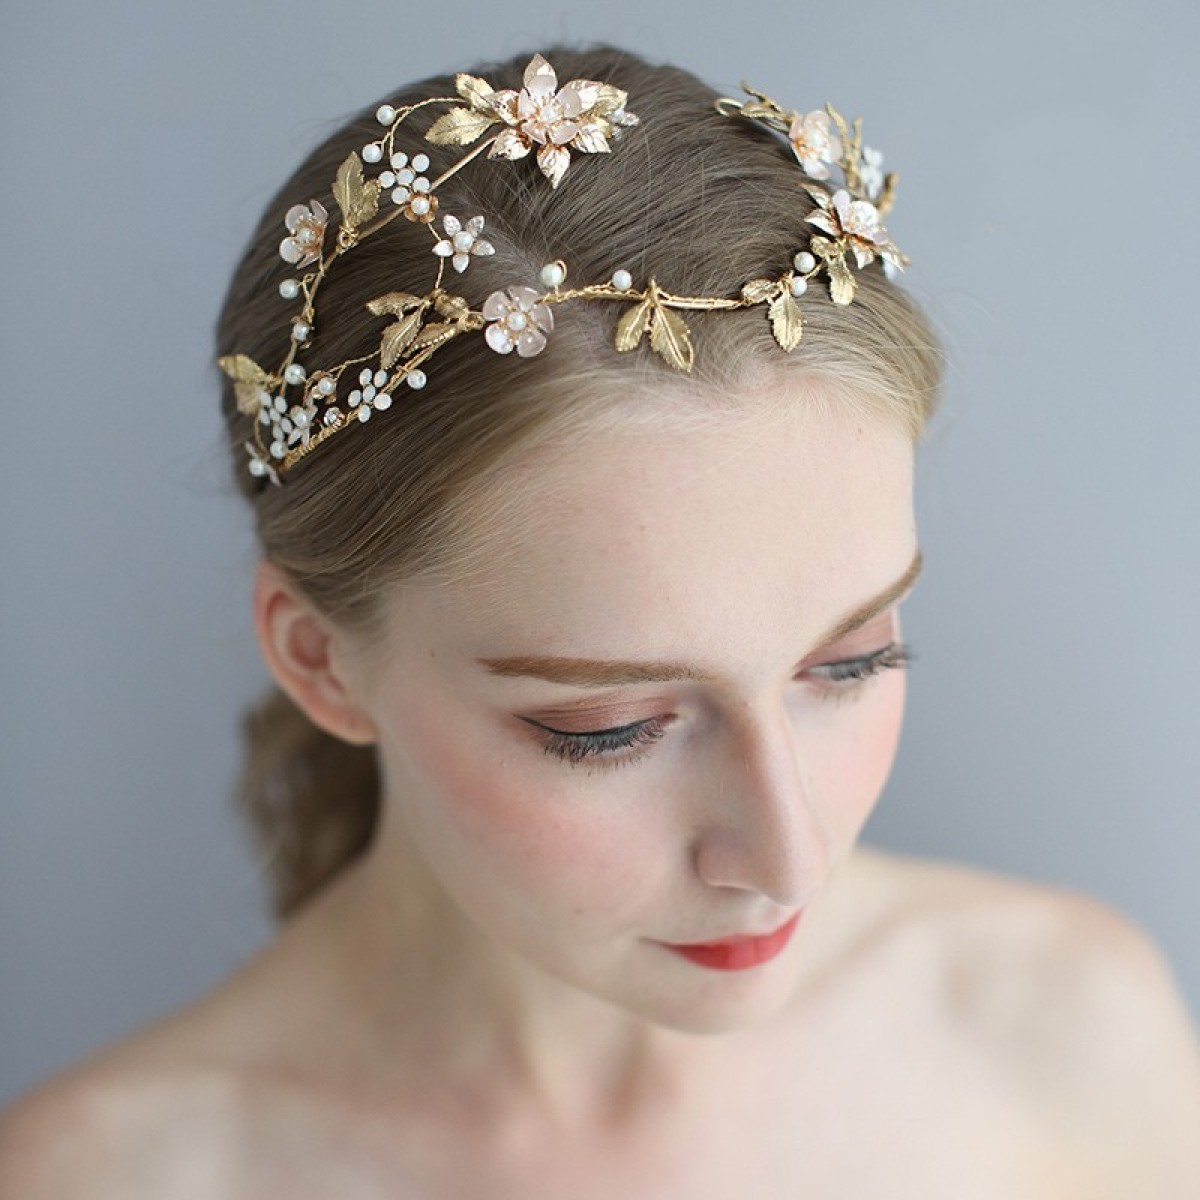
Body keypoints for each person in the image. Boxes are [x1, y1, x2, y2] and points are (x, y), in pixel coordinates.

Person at [2, 42, 1197, 1198]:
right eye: (609, 728)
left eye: (851, 661)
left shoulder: (1060, 1031)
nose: (789, 858)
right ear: (320, 661)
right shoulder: (108, 1178)